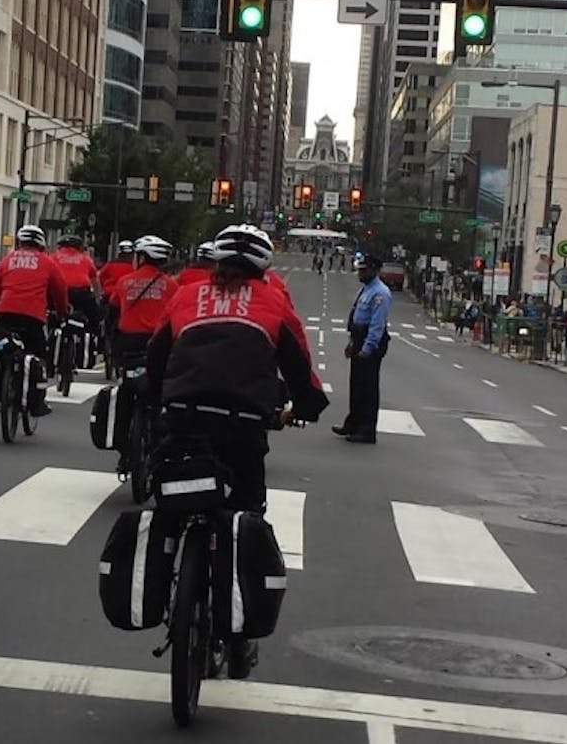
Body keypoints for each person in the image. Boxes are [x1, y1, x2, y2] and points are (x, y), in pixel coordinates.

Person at [145, 223, 328, 680]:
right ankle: (241, 640)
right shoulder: (273, 302)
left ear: (217, 262)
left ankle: (163, 589)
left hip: (183, 419)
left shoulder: (186, 297)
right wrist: (305, 407)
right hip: (243, 429)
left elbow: (155, 358)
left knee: (170, 508)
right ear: (263, 268)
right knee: (245, 515)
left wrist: (154, 402)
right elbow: (300, 368)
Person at [107, 235, 178, 471]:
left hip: (127, 347)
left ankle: (122, 449)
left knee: (126, 394)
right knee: (161, 396)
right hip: (159, 347)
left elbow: (113, 311)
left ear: (142, 257)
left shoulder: (125, 281)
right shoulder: (171, 286)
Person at [0, 224, 69, 417]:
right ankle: (36, 400)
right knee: (39, 355)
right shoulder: (48, 263)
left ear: (19, 242)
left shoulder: (7, 260)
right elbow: (60, 291)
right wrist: (61, 312)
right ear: (41, 244)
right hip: (33, 317)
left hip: (6, 313)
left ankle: (0, 390)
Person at [332, 254, 392, 444]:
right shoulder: (366, 290)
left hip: (369, 341)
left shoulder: (380, 293)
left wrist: (368, 347)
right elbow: (357, 317)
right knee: (356, 384)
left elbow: (376, 324)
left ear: (374, 270)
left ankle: (366, 430)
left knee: (367, 387)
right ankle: (353, 423)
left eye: (364, 270)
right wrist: (352, 342)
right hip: (359, 338)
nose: (360, 273)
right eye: (359, 269)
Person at [53, 235, 101, 324]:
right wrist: (97, 298)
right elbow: (95, 282)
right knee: (94, 318)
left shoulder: (53, 257)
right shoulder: (86, 259)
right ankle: (95, 333)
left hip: (59, 293)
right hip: (81, 293)